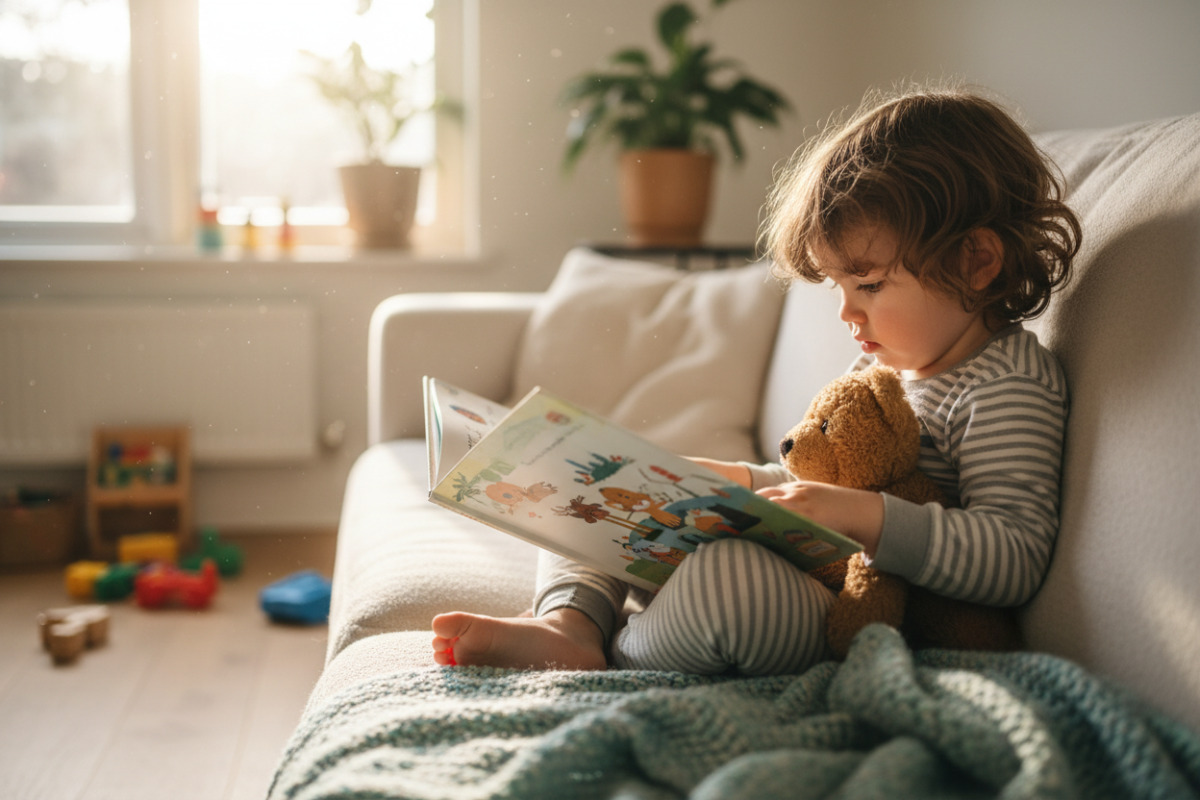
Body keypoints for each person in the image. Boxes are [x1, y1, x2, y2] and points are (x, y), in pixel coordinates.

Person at [431, 86, 1082, 674]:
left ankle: (622, 649)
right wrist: (738, 482)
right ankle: (568, 622)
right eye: (838, 287)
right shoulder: (886, 364)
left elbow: (1015, 554)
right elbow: (813, 490)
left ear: (977, 262)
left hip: (859, 616)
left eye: (871, 284)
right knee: (586, 496)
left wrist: (870, 519)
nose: (847, 312)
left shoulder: (1005, 387)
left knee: (732, 587)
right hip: (805, 567)